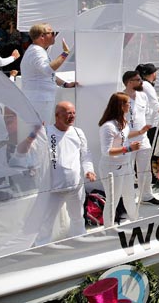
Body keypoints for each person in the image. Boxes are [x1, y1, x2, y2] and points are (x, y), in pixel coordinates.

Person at [34, 102, 96, 245]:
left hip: (76, 186)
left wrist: (89, 170)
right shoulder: (46, 132)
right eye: (68, 113)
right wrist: (36, 134)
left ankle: (80, 242)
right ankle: (41, 248)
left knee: (77, 218)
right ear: (57, 115)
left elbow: (86, 155)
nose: (72, 116)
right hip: (53, 188)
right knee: (46, 222)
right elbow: (34, 153)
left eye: (73, 112)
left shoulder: (78, 132)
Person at [98, 93, 143, 226]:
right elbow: (106, 151)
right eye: (128, 103)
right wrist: (129, 149)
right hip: (111, 168)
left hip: (126, 165)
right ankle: (109, 228)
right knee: (113, 200)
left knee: (130, 195)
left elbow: (125, 136)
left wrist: (141, 132)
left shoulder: (123, 122)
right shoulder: (108, 127)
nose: (130, 105)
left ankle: (135, 220)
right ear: (121, 106)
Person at [21, 24, 75, 125]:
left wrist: (65, 84)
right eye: (52, 33)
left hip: (40, 99)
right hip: (39, 99)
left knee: (41, 130)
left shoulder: (38, 51)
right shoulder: (37, 52)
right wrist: (65, 53)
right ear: (42, 36)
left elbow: (49, 74)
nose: (55, 35)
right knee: (40, 131)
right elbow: (48, 70)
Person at [122, 70, 159, 206]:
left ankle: (146, 196)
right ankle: (128, 199)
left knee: (145, 170)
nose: (141, 82)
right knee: (128, 171)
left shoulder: (143, 96)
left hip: (143, 138)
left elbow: (147, 113)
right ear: (129, 82)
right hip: (127, 139)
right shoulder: (120, 97)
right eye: (138, 80)